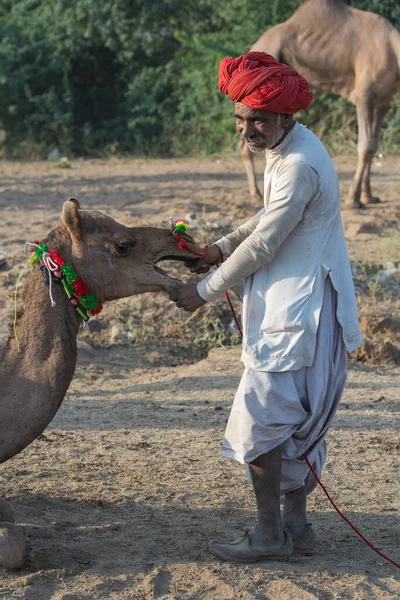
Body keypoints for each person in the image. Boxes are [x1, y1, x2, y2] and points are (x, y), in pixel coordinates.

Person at [169, 51, 362, 563]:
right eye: (240, 119)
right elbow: (265, 219)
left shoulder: (298, 164)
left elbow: (265, 244)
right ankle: (296, 527)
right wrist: (217, 247)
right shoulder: (294, 148)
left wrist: (204, 289)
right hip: (303, 305)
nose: (246, 130)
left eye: (256, 119)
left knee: (262, 422)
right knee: (292, 420)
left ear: (284, 116)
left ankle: (270, 534)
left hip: (298, 314)